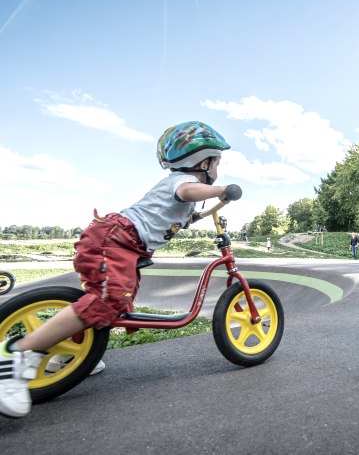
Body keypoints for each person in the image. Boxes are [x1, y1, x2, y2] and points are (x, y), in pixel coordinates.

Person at [0, 121, 232, 418]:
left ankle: (71, 355)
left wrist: (206, 211)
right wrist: (222, 190)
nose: (218, 171)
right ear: (202, 161)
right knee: (107, 302)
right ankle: (16, 355)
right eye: (217, 164)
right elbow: (188, 192)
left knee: (115, 303)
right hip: (116, 238)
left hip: (127, 247)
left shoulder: (185, 196)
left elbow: (185, 214)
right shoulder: (180, 182)